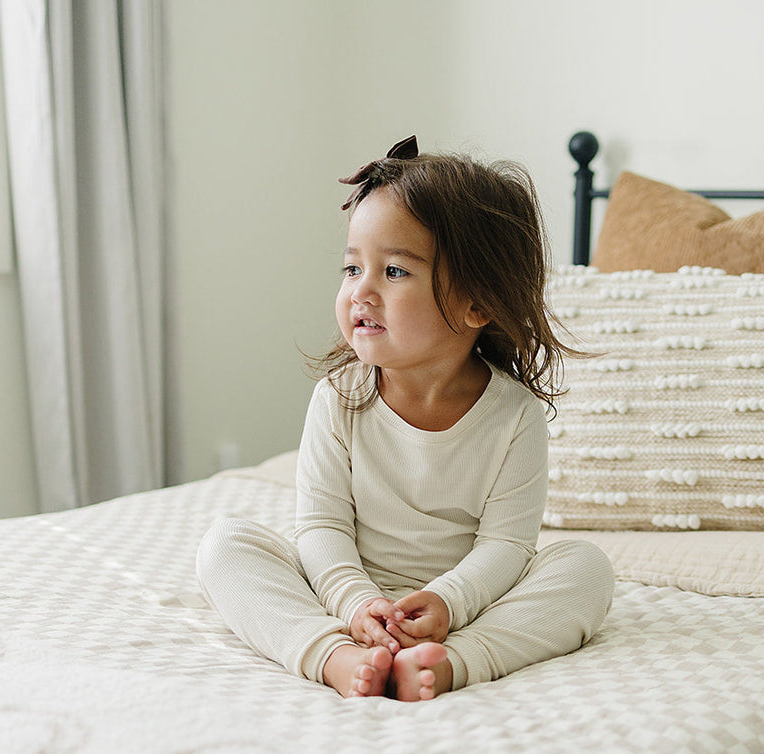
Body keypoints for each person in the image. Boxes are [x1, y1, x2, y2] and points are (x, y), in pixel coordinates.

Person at [197, 135, 615, 701]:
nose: (361, 291)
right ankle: (334, 655)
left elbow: (506, 545)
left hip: (465, 606)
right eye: (352, 268)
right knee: (225, 546)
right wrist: (355, 603)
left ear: (477, 304)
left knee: (585, 568)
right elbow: (322, 527)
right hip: (346, 597)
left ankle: (455, 661)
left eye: (394, 271)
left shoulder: (514, 415)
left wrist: (448, 602)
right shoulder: (338, 397)